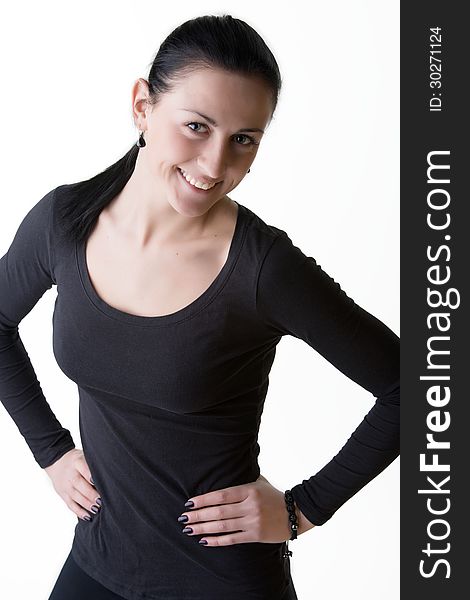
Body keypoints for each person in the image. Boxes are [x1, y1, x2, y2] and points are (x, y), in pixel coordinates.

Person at [0, 14, 399, 600]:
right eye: (196, 126)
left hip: (224, 582)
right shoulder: (63, 225)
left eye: (243, 140)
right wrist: (50, 449)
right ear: (142, 106)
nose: (214, 165)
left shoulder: (263, 269)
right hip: (99, 561)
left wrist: (303, 509)